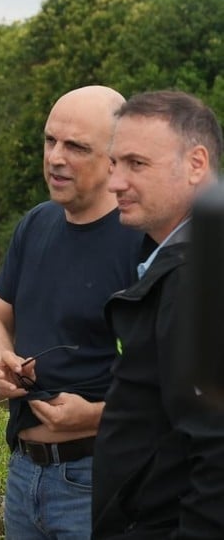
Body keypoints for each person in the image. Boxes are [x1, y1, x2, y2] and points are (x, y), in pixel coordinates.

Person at [0, 85, 144, 539]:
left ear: (115, 158)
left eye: (76, 146)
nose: (55, 157)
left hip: (100, 479)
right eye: (50, 141)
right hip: (23, 475)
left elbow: (181, 386)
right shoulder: (37, 223)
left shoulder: (143, 243)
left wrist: (96, 415)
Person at [92, 90, 224, 537]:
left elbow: (215, 451)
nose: (115, 183)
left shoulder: (196, 279)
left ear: (196, 164)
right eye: (114, 164)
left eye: (137, 164)